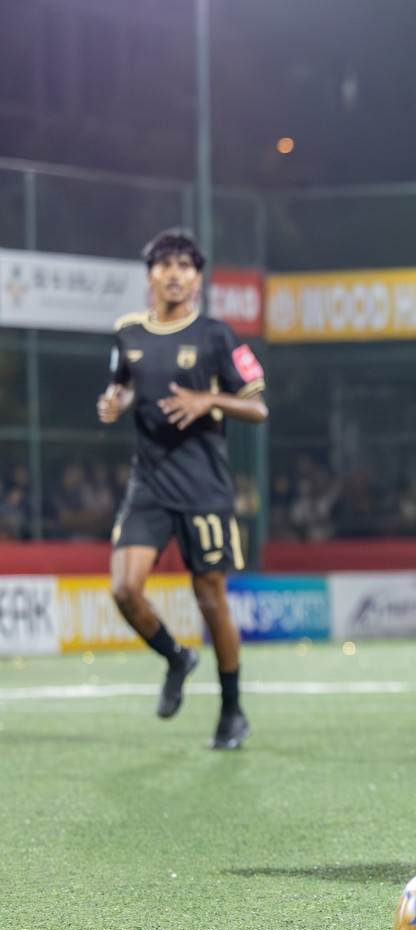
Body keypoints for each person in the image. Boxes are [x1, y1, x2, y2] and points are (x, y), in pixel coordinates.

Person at [97, 228, 267, 750]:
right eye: (164, 264)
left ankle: (232, 710)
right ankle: (176, 657)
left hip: (204, 489)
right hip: (148, 484)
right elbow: (122, 384)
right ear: (149, 275)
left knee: (210, 598)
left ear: (197, 277)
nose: (174, 273)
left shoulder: (217, 336)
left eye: (185, 265)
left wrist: (208, 401)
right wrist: (114, 403)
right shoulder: (127, 332)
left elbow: (257, 406)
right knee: (125, 589)